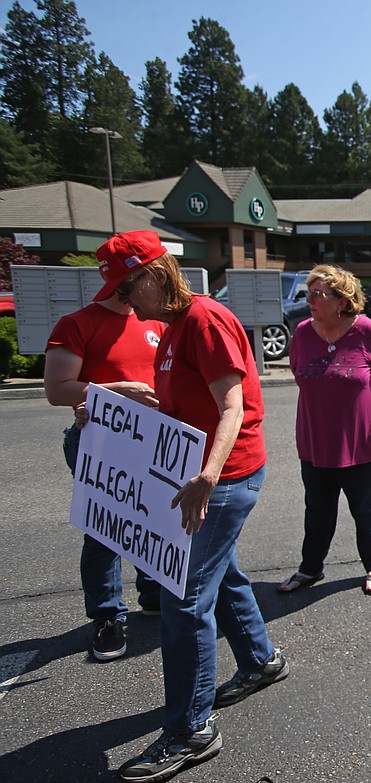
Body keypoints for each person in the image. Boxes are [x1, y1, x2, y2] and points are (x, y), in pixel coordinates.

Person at [88, 231, 286, 783]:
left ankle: (190, 730)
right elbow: (186, 400)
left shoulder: (203, 319)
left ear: (156, 272)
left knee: (183, 597)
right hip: (203, 477)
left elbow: (233, 403)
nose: (125, 301)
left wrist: (206, 474)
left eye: (128, 288)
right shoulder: (173, 327)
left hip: (223, 479)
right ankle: (260, 659)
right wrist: (126, 399)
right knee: (218, 576)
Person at [44, 293, 165, 661]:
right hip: (100, 442)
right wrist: (113, 392)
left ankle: (154, 594)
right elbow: (56, 389)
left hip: (153, 440)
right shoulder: (77, 324)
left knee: (151, 520)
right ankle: (107, 615)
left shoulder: (156, 321)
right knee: (106, 531)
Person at [278, 264, 371, 597]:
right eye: (310, 293)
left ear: (341, 299)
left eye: (318, 294)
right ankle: (310, 568)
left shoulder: (367, 331)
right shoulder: (303, 332)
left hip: (366, 441)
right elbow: (298, 371)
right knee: (317, 509)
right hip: (316, 440)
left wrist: (363, 402)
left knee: (367, 508)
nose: (310, 300)